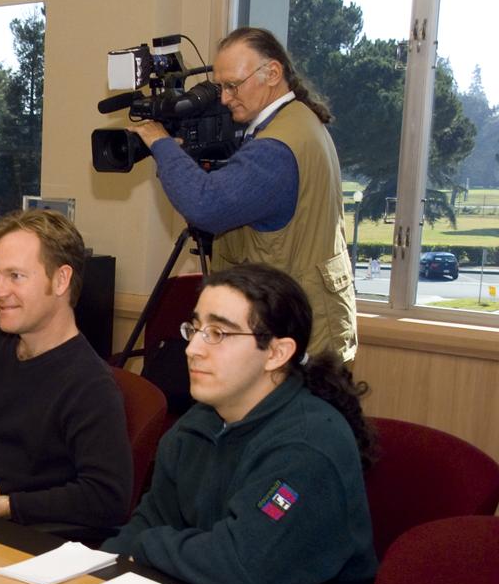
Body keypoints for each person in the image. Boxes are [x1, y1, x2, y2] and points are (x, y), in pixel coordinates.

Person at [101, 263, 378, 584]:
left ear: (276, 353)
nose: (192, 349)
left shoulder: (308, 445)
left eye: (218, 333)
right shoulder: (196, 425)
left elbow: (243, 565)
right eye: (195, 329)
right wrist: (92, 573)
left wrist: (148, 545)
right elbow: (149, 521)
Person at [129, 27, 357, 363]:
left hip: (291, 332)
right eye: (220, 86)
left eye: (233, 86)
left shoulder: (275, 148)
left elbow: (205, 206)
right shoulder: (298, 122)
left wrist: (161, 143)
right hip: (302, 316)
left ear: (273, 73)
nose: (224, 98)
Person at [0, 209, 132, 537]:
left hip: (25, 540)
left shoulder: (90, 385)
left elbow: (106, 496)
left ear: (61, 280)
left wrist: (7, 506)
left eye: (15, 276)